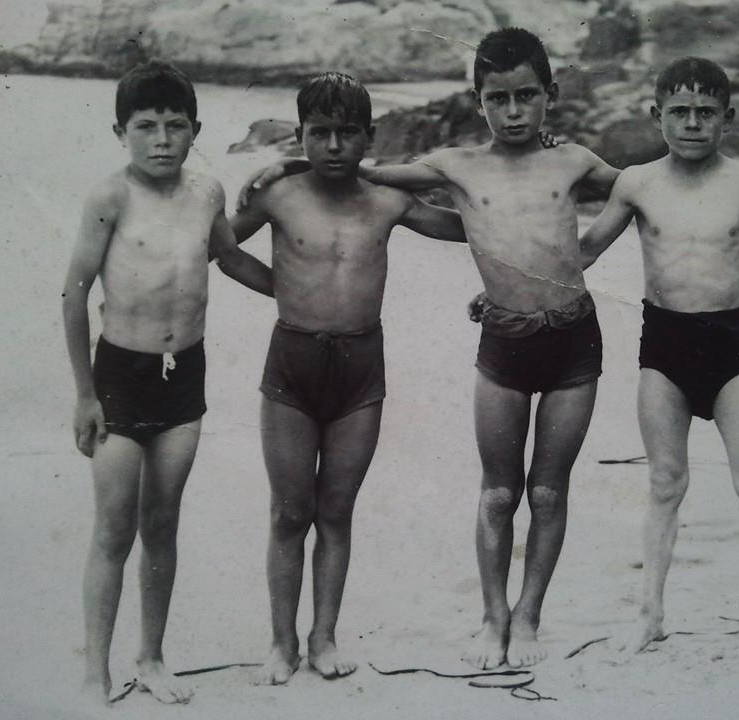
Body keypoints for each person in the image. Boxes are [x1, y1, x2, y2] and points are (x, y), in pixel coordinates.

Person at [250, 29, 619, 670]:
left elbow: (643, 188)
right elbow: (357, 168)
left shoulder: (576, 160)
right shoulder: (454, 164)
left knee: (550, 493)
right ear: (478, 101)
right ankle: (488, 619)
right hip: (495, 343)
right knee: (498, 494)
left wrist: (575, 258)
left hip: (571, 338)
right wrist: (283, 164)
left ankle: (526, 618)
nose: (512, 111)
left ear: (548, 96)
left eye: (526, 96)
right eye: (497, 98)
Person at [229, 71, 468, 685]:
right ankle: (281, 644)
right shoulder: (279, 195)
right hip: (293, 363)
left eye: (347, 134)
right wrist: (279, 287)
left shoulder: (386, 199)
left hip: (361, 370)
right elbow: (219, 248)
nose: (334, 146)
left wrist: (487, 177)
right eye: (320, 134)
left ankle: (324, 638)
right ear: (301, 135)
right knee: (289, 513)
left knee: (336, 511)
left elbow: (462, 227)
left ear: (368, 136)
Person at [579, 56, 739, 653]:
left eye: (706, 112)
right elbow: (585, 251)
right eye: (679, 111)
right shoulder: (637, 182)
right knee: (665, 482)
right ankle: (650, 615)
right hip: (665, 348)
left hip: (732, 346)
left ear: (726, 119)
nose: (692, 124)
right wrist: (510, 285)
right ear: (657, 116)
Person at [61, 60, 273, 705]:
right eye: (146, 126)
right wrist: (84, 395)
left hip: (184, 379)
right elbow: (74, 296)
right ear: (120, 131)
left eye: (174, 126)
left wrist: (299, 295)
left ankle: (151, 657)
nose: (160, 139)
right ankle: (95, 672)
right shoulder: (109, 197)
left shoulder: (206, 192)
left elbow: (229, 256)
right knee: (113, 529)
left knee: (162, 523)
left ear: (194, 130)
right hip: (119, 380)